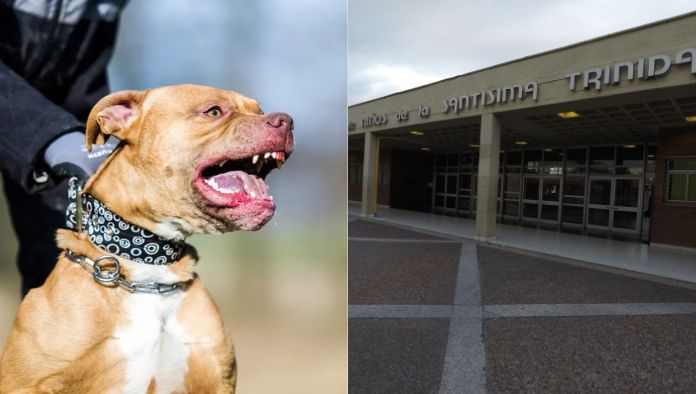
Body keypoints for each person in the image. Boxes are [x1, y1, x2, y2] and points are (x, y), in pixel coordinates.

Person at [0, 0, 128, 295]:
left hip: (59, 115)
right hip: (48, 129)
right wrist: (53, 138)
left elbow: (79, 78)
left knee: (69, 276)